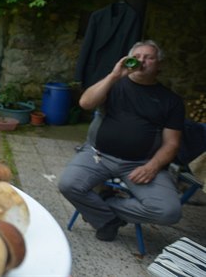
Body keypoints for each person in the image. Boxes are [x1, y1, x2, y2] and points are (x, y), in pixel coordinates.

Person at [58, 40, 185, 242]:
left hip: (140, 163)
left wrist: (153, 166)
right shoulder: (114, 84)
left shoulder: (171, 101)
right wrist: (114, 75)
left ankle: (104, 206)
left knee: (169, 211)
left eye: (149, 57)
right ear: (129, 60)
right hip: (98, 155)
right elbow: (85, 103)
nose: (142, 60)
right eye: (138, 56)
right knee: (68, 184)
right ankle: (108, 220)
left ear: (159, 64)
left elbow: (172, 143)